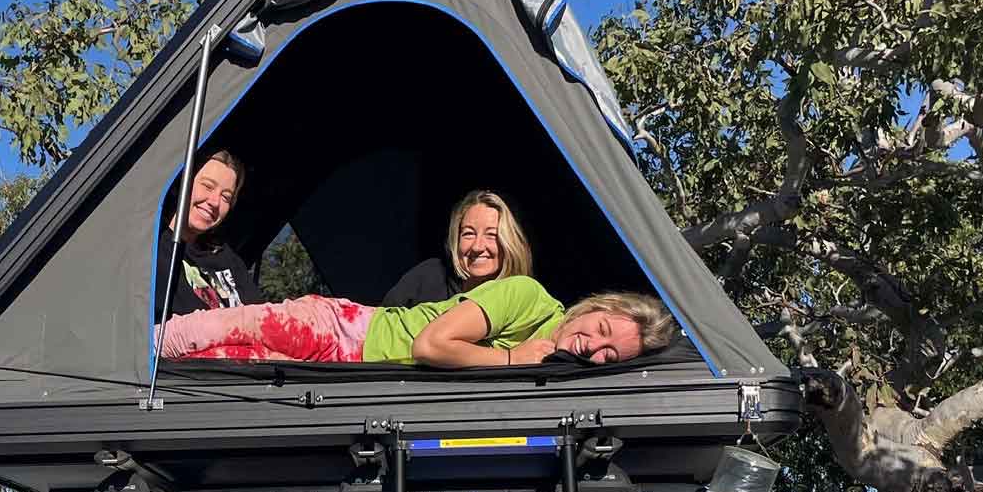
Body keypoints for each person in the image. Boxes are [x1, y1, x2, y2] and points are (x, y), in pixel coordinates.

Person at [156, 277, 676, 368]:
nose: (593, 348)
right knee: (207, 332)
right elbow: (432, 344)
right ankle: (111, 358)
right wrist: (513, 357)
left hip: (342, 371)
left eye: (610, 355)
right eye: (604, 332)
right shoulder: (528, 298)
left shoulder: (559, 364)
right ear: (597, 308)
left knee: (218, 365)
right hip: (346, 332)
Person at [383, 190, 530, 307]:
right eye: (468, 234)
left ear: (511, 242)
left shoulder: (522, 301)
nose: (477, 246)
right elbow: (378, 326)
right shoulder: (430, 276)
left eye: (491, 234)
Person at [158, 150, 260, 316]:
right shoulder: (155, 250)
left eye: (226, 197)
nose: (214, 202)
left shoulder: (226, 257)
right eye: (207, 186)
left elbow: (261, 317)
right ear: (181, 183)